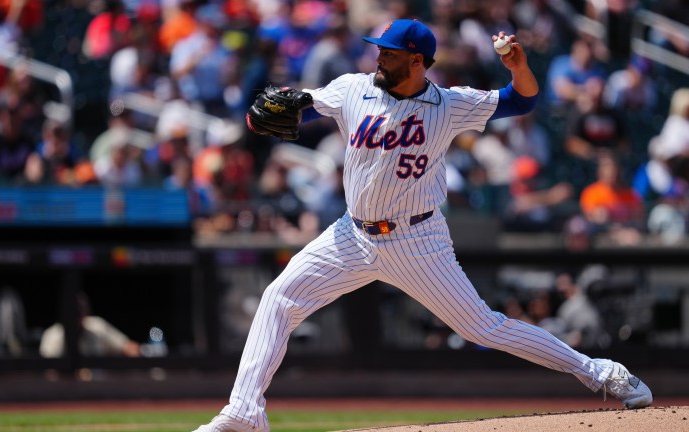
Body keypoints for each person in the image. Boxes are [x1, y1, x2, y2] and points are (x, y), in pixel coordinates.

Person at [193, 20, 652, 432]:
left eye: (389, 53)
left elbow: (523, 99)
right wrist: (287, 105)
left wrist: (518, 66)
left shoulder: (449, 105)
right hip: (351, 235)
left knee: (484, 329)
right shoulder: (356, 87)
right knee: (278, 298)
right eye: (379, 50)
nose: (379, 58)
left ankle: (602, 373)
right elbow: (307, 106)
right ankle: (244, 414)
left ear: (417, 61)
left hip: (417, 239)